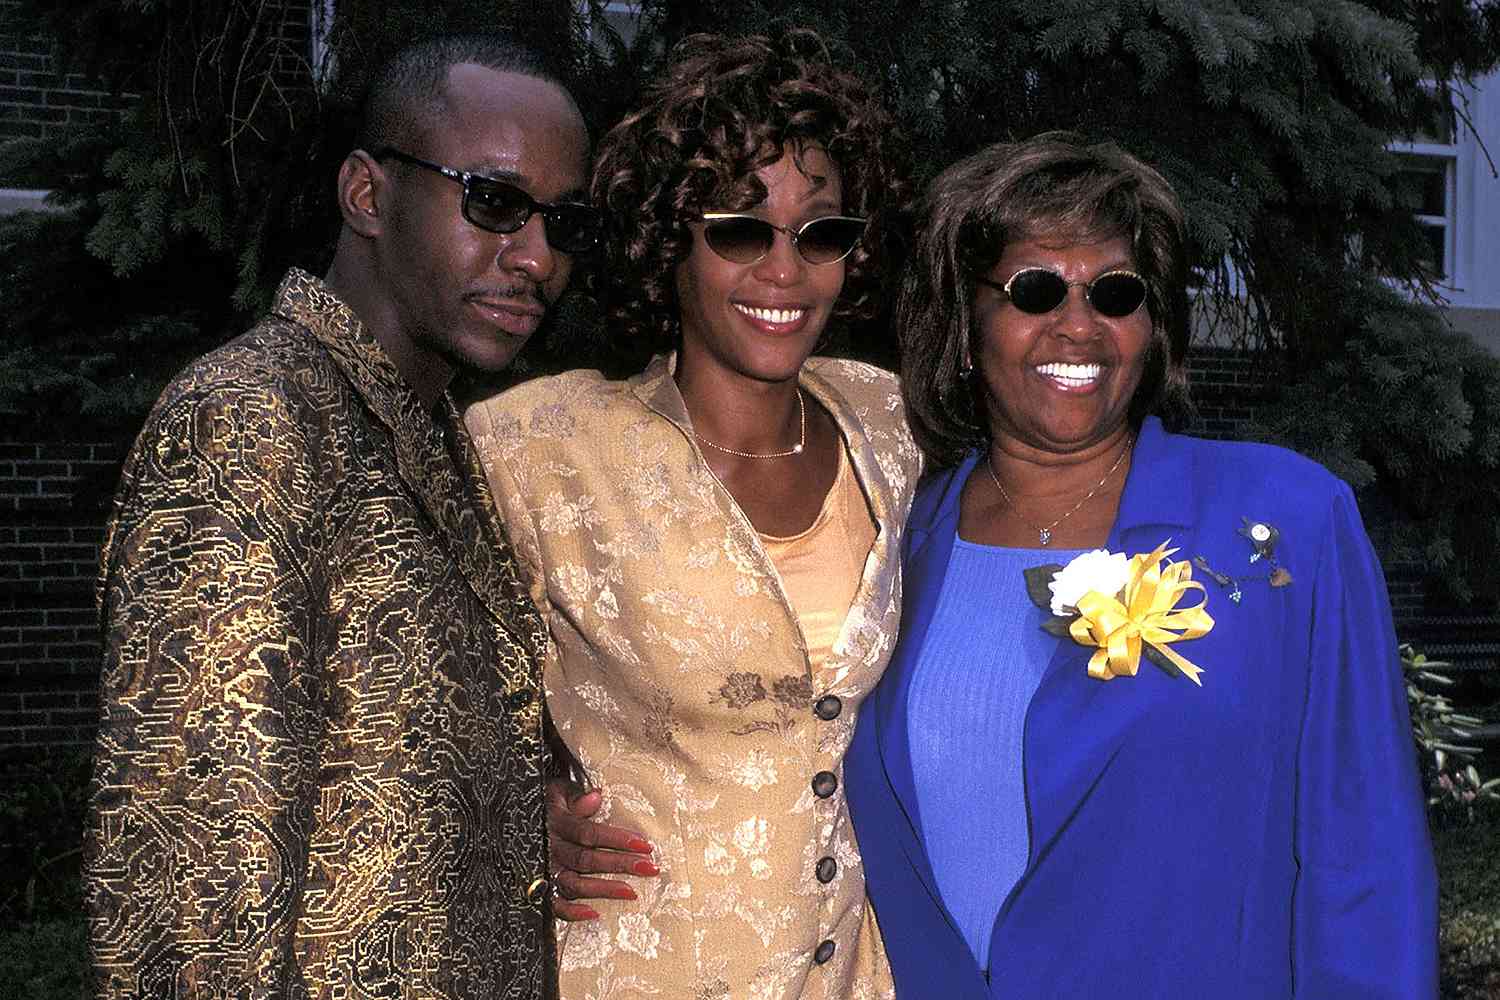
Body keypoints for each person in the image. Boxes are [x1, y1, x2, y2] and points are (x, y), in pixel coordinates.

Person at [843, 133, 1438, 998]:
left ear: (1151, 330)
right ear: (965, 329)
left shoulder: (1286, 526)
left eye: (1116, 293)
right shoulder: (888, 537)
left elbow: (1367, 863)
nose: (1079, 324)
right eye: (1036, 288)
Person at [83, 33, 600, 999]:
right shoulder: (249, 423)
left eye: (562, 223)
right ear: (367, 195)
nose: (536, 257)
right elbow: (192, 905)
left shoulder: (431, 431)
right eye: (493, 202)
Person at [465, 29, 919, 1000]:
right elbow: (374, 711)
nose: (785, 270)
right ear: (672, 237)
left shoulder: (885, 424)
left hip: (848, 976)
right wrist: (503, 810)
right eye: (741, 227)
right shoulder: (542, 447)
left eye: (822, 232)